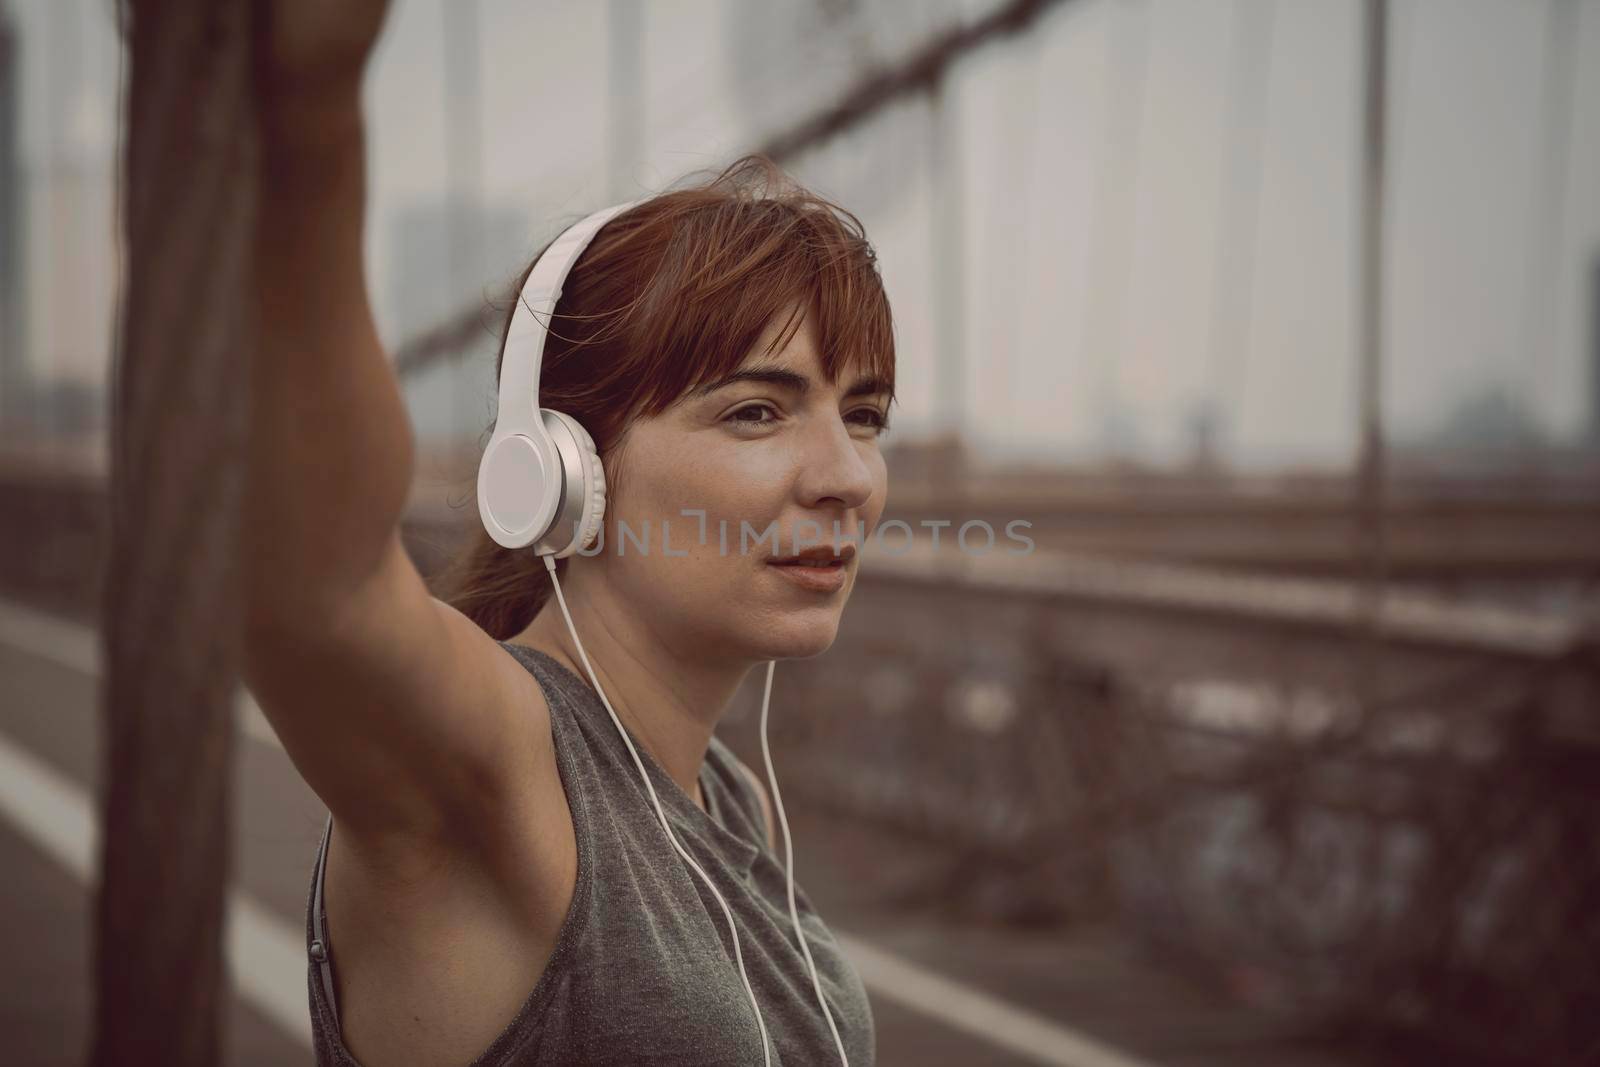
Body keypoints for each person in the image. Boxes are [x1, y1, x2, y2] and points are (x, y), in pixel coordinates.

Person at [242, 3, 895, 1064]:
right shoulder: (489, 768)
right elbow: (312, 588)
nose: (848, 477)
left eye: (863, 415)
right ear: (557, 473)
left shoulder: (737, 798)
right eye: (755, 411)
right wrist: (309, 122)